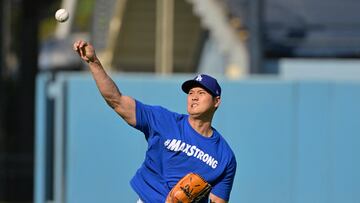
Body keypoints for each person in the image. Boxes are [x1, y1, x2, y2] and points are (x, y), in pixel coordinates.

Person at [73, 40, 237, 203]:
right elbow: (116, 101)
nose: (194, 97)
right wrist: (94, 62)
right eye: (191, 92)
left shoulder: (224, 156)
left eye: (201, 93)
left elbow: (218, 201)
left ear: (216, 101)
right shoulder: (164, 120)